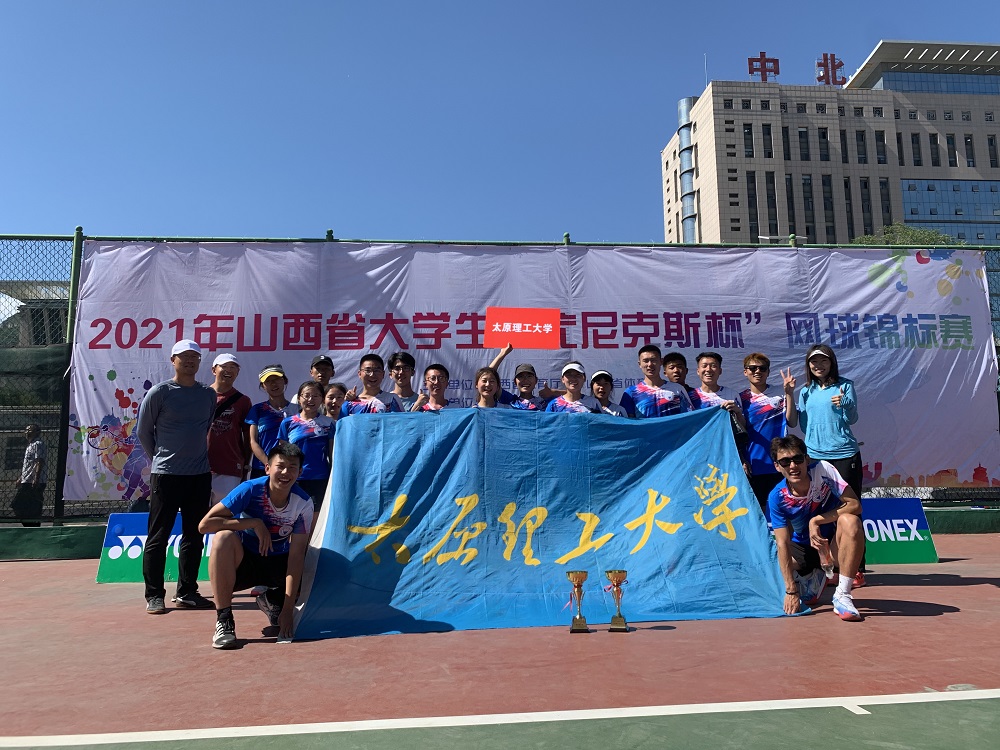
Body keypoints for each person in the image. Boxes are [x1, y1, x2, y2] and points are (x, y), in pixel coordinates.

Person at [198, 443, 313, 649]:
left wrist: (288, 610)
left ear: (300, 472)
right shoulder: (249, 489)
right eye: (280, 466)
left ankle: (273, 600)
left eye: (292, 467)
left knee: (317, 563)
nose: (285, 473)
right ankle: (224, 621)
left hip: (278, 561)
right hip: (246, 561)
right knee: (222, 538)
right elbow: (205, 525)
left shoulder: (303, 503)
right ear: (267, 468)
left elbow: (296, 556)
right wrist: (253, 523)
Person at [135, 339, 217, 614]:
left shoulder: (207, 394)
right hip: (166, 476)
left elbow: (205, 426)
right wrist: (160, 459)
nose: (190, 361)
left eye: (195, 357)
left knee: (195, 535)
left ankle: (187, 591)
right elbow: (143, 432)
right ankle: (154, 595)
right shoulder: (160, 392)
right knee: (158, 536)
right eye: (184, 356)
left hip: (199, 475)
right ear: (173, 360)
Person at [768, 435, 866, 622]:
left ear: (807, 459)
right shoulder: (777, 497)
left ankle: (842, 595)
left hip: (831, 547)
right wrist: (791, 591)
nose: (793, 466)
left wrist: (816, 521)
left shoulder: (823, 470)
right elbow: (782, 543)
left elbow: (854, 504)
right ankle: (812, 576)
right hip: (802, 549)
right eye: (785, 462)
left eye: (797, 459)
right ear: (777, 466)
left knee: (851, 521)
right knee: (772, 562)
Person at [737, 353, 797, 516]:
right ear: (745, 372)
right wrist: (742, 459)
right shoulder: (741, 399)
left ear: (768, 372)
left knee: (785, 511)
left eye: (762, 368)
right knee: (759, 514)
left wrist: (789, 394)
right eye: (752, 368)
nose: (757, 371)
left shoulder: (780, 392)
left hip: (780, 462)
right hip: (754, 464)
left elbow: (792, 422)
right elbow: (739, 432)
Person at [277, 381, 335, 511]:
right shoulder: (288, 423)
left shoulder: (328, 423)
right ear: (299, 398)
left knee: (315, 514)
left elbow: (332, 453)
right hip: (293, 477)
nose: (310, 399)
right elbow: (282, 454)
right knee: (291, 513)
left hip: (319, 477)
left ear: (322, 399)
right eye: (306, 395)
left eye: (315, 396)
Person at [207, 353, 252, 502]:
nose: (229, 370)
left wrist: (245, 465)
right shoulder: (200, 395)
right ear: (214, 370)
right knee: (197, 513)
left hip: (230, 467)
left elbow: (248, 437)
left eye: (233, 367)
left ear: (238, 372)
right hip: (199, 467)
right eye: (224, 366)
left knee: (224, 512)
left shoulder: (243, 401)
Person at [245, 364, 299, 479]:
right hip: (262, 469)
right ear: (263, 386)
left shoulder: (297, 410)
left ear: (285, 381)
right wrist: (269, 464)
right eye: (268, 381)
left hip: (289, 470)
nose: (273, 384)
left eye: (277, 379)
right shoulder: (257, 410)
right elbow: (253, 442)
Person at [619, 344, 693, 418]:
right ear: (640, 364)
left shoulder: (677, 389)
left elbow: (689, 417)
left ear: (661, 361)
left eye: (653, 360)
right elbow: (627, 421)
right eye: (645, 361)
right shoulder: (631, 392)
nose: (650, 364)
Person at [489, 344, 558, 409]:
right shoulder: (510, 400)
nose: (525, 380)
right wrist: (502, 353)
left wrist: (554, 393)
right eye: (521, 377)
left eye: (529, 376)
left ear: (536, 380)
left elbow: (565, 398)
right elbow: (488, 375)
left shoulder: (543, 402)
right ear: (515, 382)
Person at [12, 424, 45, 527]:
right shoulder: (30, 445)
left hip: (32, 481)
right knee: (25, 505)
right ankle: (31, 525)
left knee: (18, 504)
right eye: (26, 430)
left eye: (30, 430)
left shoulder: (38, 444)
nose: (27, 432)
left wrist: (36, 478)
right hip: (26, 479)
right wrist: (21, 478)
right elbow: (29, 465)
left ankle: (33, 526)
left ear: (36, 432)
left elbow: (39, 461)